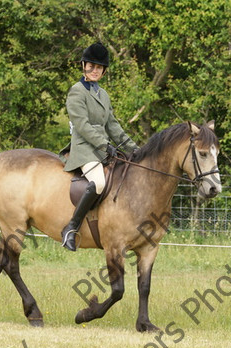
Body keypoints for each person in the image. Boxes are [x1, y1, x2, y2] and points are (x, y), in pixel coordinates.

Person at [60, 42, 138, 251]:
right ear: (84, 65)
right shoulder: (76, 92)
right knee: (99, 182)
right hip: (85, 148)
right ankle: (71, 227)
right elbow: (82, 126)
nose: (95, 71)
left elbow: (112, 125)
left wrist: (134, 149)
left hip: (102, 149)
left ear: (104, 71)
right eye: (91, 66)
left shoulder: (102, 94)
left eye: (99, 68)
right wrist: (105, 145)